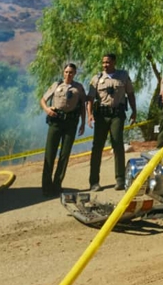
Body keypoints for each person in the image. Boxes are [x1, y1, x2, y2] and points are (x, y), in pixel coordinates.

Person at [86, 52, 136, 192]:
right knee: (97, 148)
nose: (105, 65)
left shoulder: (123, 76)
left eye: (107, 62)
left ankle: (120, 179)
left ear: (114, 62)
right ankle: (94, 182)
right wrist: (89, 115)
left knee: (117, 144)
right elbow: (90, 98)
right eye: (103, 63)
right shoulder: (96, 78)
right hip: (101, 116)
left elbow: (130, 94)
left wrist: (134, 111)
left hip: (117, 115)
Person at [38, 62, 85, 196]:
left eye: (71, 72)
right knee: (50, 154)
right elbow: (43, 99)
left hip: (71, 123)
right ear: (63, 73)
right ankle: (47, 187)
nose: (68, 74)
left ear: (74, 74)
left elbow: (82, 106)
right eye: (66, 72)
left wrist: (82, 123)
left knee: (64, 155)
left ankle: (57, 185)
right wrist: (47, 109)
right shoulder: (56, 85)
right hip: (56, 122)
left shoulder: (79, 88)